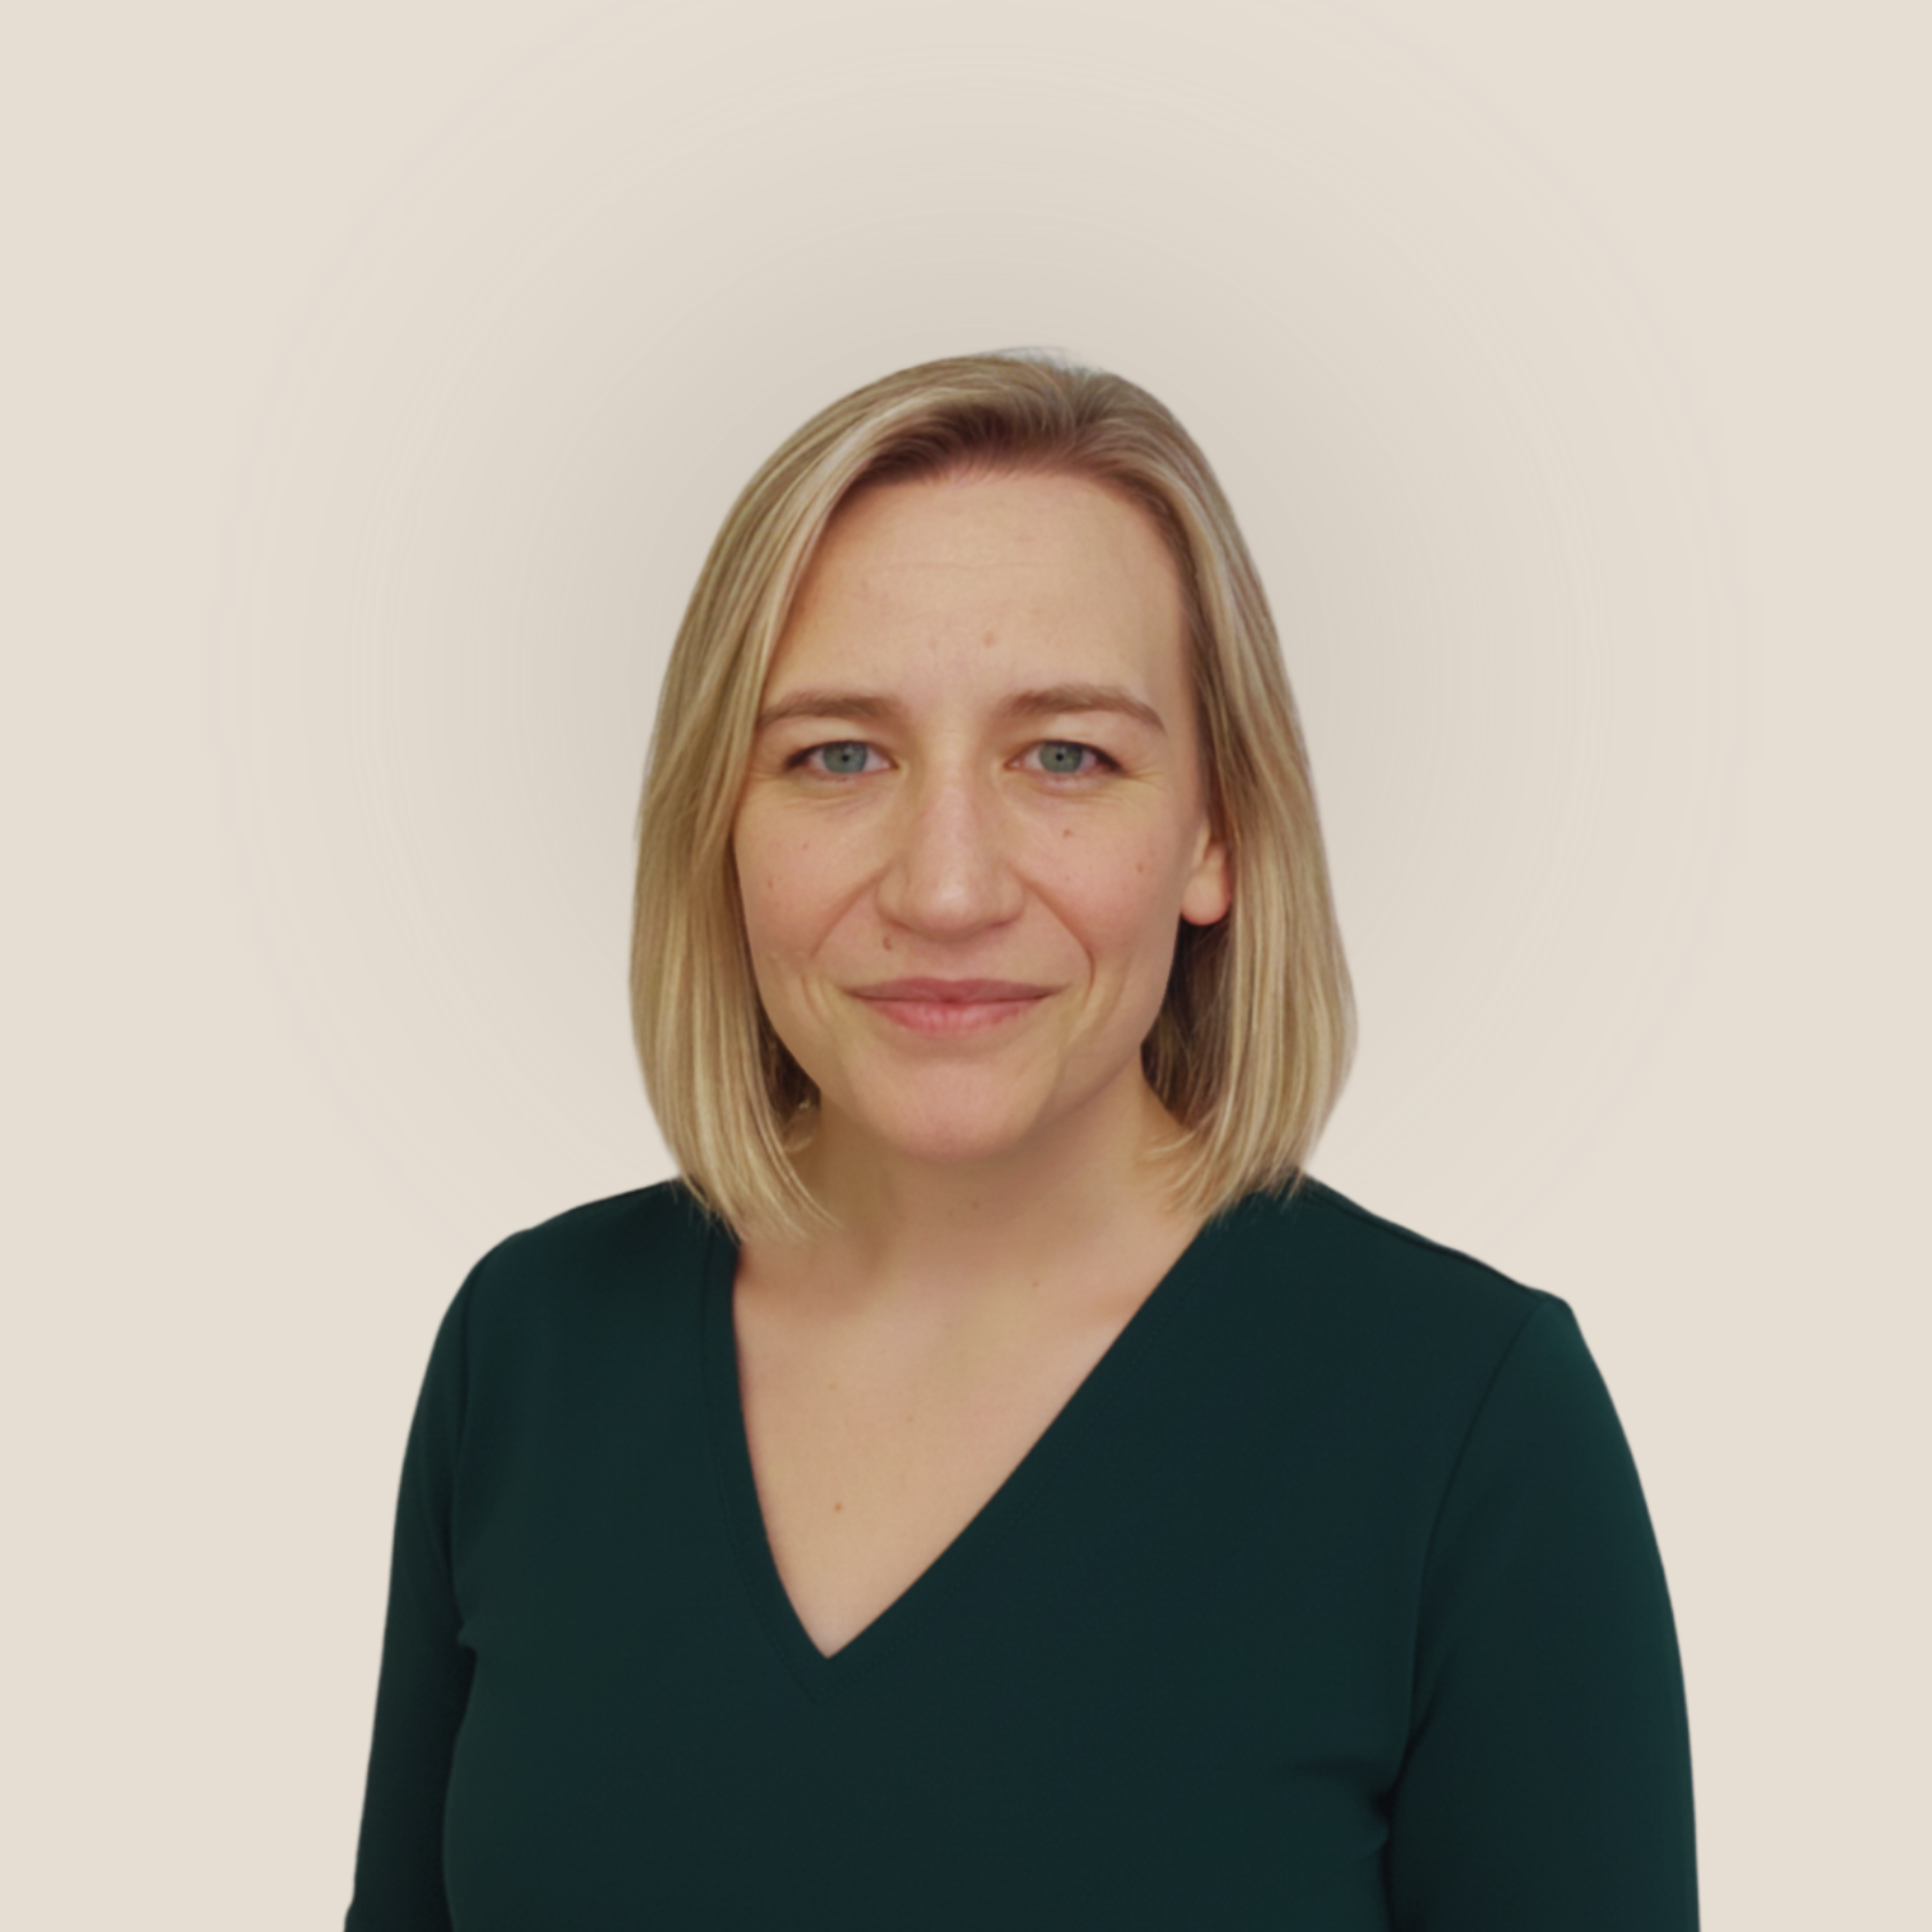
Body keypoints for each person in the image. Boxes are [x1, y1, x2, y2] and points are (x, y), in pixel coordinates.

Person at [344, 351, 1699, 1929]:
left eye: (1066, 755)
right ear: (721, 825)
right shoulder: (530, 1348)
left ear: (1218, 834)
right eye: (836, 755)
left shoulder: (1467, 1427)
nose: (947, 887)